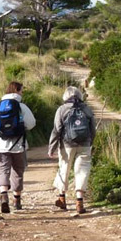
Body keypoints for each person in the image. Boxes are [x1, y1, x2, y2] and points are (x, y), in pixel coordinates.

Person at [0, 81, 36, 213]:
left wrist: (1, 130)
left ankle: (3, 195)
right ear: (17, 90)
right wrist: (20, 128)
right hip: (19, 144)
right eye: (21, 90)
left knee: (3, 170)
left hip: (2, 145)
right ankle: (17, 200)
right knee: (18, 170)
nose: (22, 93)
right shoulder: (21, 106)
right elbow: (32, 123)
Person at [48, 86, 95, 214]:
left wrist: (52, 147)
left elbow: (56, 130)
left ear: (65, 96)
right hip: (84, 144)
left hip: (67, 144)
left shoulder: (62, 109)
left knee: (64, 168)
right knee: (82, 170)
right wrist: (90, 142)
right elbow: (92, 128)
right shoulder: (86, 109)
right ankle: (79, 202)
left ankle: (62, 199)